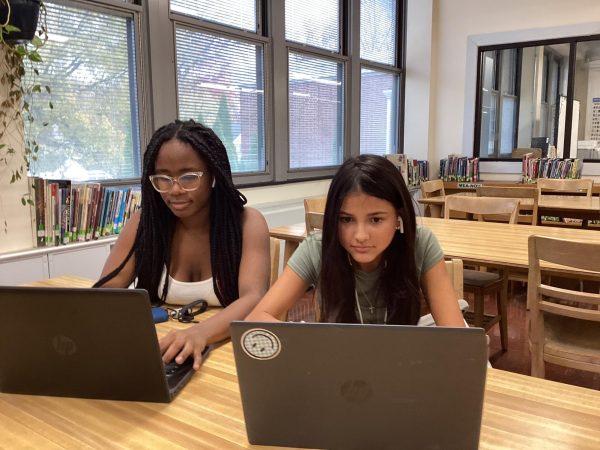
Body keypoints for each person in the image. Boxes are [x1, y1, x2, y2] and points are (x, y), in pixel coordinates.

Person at [94, 119, 270, 369]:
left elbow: (254, 298)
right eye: (163, 179)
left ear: (213, 175)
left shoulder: (247, 223)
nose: (174, 190)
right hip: (164, 354)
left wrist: (200, 333)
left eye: (188, 177)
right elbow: (109, 286)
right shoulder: (144, 224)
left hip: (229, 357)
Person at [247, 154, 465, 327]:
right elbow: (257, 317)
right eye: (346, 219)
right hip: (338, 369)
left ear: (398, 218)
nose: (360, 235)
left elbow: (454, 334)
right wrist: (307, 344)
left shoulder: (420, 244)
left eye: (376, 219)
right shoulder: (317, 248)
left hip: (401, 366)